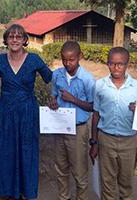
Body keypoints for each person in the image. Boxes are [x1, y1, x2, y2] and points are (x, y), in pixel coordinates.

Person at [0, 24, 52, 200]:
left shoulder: (34, 60)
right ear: (6, 40)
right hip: (5, 112)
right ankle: (7, 190)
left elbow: (50, 78)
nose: (15, 39)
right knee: (5, 149)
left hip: (27, 111)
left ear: (24, 40)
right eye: (11, 36)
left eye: (19, 36)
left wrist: (56, 98)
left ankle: (25, 190)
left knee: (27, 150)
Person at [89, 47, 137, 200]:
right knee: (107, 183)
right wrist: (94, 142)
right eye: (112, 63)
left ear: (127, 64)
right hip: (106, 139)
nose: (116, 67)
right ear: (107, 64)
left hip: (129, 141)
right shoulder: (100, 85)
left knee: (126, 184)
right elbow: (96, 115)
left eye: (120, 64)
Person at [48, 41, 95, 200]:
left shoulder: (87, 79)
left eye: (71, 59)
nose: (67, 63)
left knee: (79, 170)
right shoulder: (57, 75)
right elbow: (53, 94)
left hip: (78, 129)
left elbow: (92, 107)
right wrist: (52, 100)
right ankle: (64, 197)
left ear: (80, 57)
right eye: (64, 59)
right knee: (61, 168)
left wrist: (74, 99)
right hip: (60, 126)